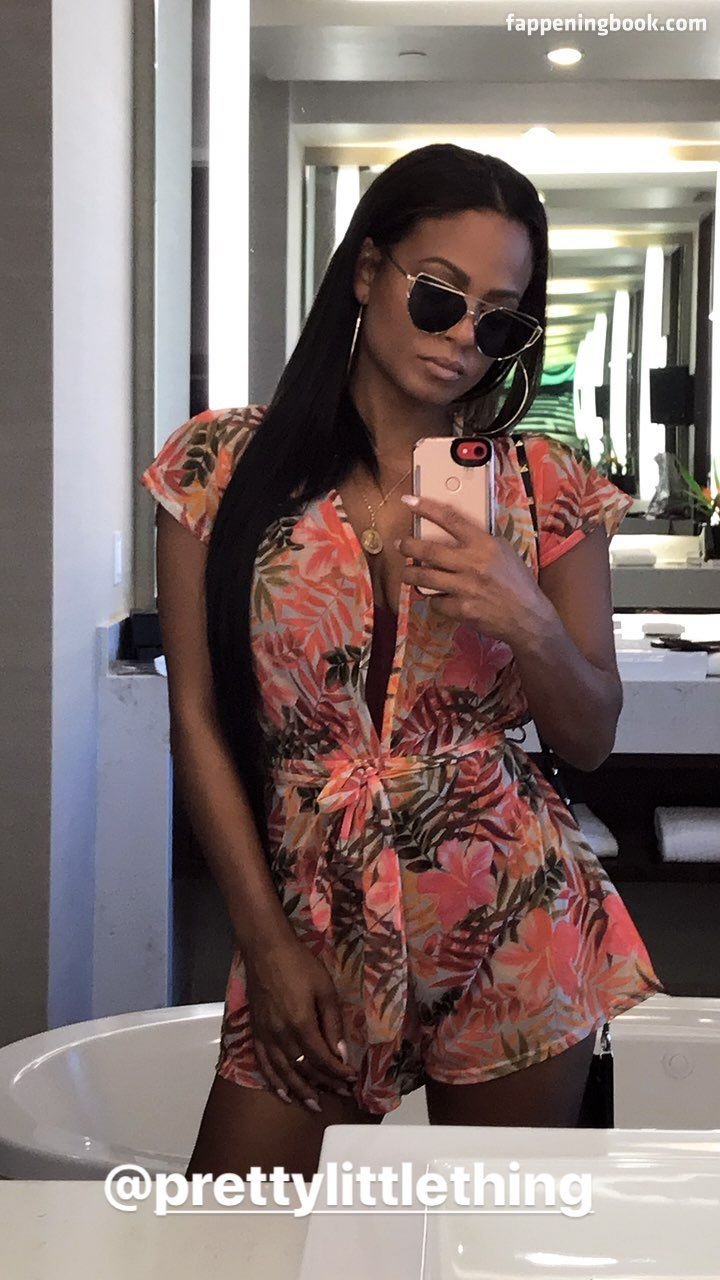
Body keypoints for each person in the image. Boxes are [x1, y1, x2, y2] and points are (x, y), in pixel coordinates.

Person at [139, 144, 664, 1179]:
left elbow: (591, 736)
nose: (465, 337)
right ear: (370, 270)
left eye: (499, 319)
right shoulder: (221, 463)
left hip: (512, 909)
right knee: (230, 1232)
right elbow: (194, 719)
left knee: (485, 1237)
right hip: (311, 910)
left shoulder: (547, 484)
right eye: (440, 296)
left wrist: (524, 612)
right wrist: (266, 942)